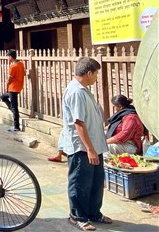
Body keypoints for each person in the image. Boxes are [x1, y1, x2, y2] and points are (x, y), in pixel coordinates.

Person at [62, 57, 111, 231]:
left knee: (96, 182)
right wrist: (89, 149)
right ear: (89, 73)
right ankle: (78, 216)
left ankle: (93, 212)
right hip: (82, 147)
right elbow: (79, 123)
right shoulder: (76, 92)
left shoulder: (83, 89)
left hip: (94, 145)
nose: (97, 77)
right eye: (96, 73)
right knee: (80, 182)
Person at [0, 50, 25, 132]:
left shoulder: (12, 67)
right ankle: (15, 113)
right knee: (3, 97)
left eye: (7, 56)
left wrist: (7, 83)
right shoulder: (21, 64)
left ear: (10, 56)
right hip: (18, 86)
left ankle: (16, 126)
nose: (7, 58)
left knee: (14, 107)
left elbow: (9, 79)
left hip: (12, 88)